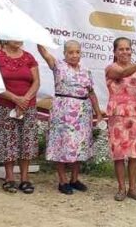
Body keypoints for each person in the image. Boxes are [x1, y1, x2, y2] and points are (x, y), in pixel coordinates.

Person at [37, 41, 102, 195]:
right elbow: (44, 53)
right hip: (63, 112)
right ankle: (62, 181)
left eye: (77, 52)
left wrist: (98, 112)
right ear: (65, 53)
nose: (74, 55)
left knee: (79, 146)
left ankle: (74, 179)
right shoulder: (58, 65)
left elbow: (91, 92)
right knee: (62, 145)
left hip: (82, 113)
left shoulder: (86, 70)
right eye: (71, 52)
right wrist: (39, 39)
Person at [105, 37, 136, 201]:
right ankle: (121, 189)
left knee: (134, 154)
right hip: (117, 115)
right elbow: (123, 73)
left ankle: (133, 188)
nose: (125, 52)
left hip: (135, 116)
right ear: (115, 52)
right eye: (121, 49)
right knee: (119, 154)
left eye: (128, 49)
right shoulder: (111, 68)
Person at [0, 40, 40, 194]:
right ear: (6, 37)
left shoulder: (29, 57)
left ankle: (25, 178)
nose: (19, 39)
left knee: (27, 141)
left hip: (28, 106)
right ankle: (9, 178)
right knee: (8, 140)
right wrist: (15, 99)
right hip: (5, 105)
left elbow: (36, 82)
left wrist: (24, 100)